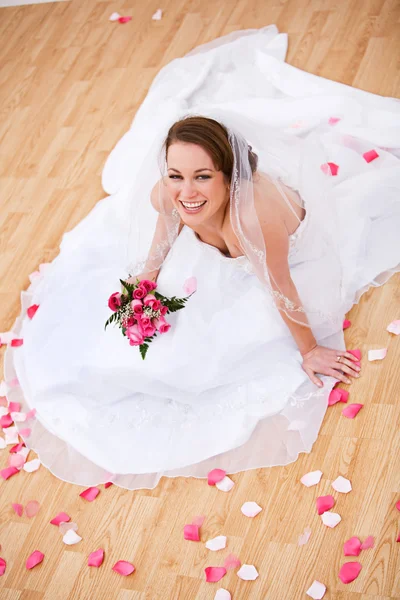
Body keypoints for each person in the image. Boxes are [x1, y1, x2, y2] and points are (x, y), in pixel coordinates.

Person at [4, 26, 400, 491]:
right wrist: (139, 294)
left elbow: (280, 287)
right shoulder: (170, 195)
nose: (186, 193)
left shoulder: (251, 217)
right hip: (224, 256)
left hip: (284, 258)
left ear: (228, 177)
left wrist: (310, 351)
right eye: (175, 175)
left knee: (226, 345)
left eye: (202, 177)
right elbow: (161, 242)